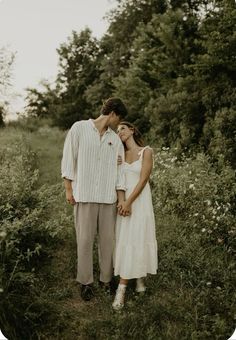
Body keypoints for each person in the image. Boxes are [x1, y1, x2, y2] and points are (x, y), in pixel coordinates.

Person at [61, 98, 130, 301]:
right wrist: (68, 189)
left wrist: (120, 198)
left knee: (108, 242)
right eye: (119, 119)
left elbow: (120, 172)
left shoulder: (115, 140)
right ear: (113, 114)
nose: (118, 124)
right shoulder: (79, 128)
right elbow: (68, 159)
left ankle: (106, 280)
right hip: (84, 195)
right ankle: (85, 282)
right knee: (84, 240)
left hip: (108, 199)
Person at [112, 121, 158, 310]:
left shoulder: (146, 151)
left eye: (123, 128)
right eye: (117, 130)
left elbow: (144, 178)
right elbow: (119, 180)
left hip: (140, 201)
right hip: (125, 202)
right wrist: (122, 202)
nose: (120, 132)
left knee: (139, 237)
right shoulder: (120, 155)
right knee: (127, 239)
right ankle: (129, 283)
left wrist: (129, 202)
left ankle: (124, 287)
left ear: (132, 130)